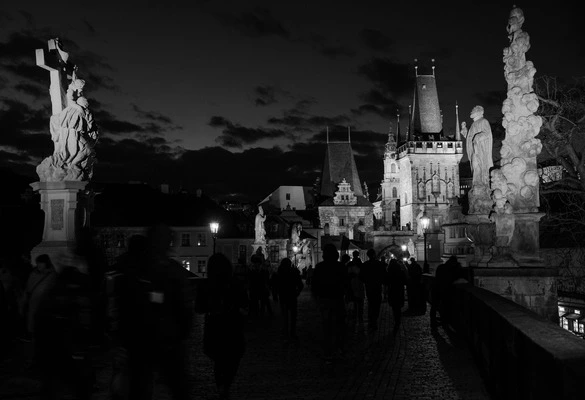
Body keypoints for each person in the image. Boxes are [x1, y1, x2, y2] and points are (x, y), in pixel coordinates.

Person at [125, 224, 193, 400]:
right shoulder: (173, 270)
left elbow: (128, 304)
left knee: (141, 387)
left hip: (145, 339)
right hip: (166, 338)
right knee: (177, 386)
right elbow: (185, 307)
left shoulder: (138, 270)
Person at [36, 249, 94, 400]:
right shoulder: (80, 282)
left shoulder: (55, 283)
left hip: (58, 341)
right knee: (79, 382)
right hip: (74, 340)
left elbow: (43, 314)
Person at [203, 253, 247, 399]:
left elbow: (198, 307)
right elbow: (245, 304)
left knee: (219, 360)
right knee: (233, 358)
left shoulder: (206, 284)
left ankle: (221, 386)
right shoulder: (234, 283)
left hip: (213, 328)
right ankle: (225, 386)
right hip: (232, 327)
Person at [22, 254, 58, 369]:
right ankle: (35, 359)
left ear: (46, 263)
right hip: (33, 309)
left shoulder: (52, 276)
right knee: (34, 336)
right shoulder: (33, 274)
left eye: (41, 262)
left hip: (45, 311)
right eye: (37, 263)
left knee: (44, 335)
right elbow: (28, 290)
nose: (38, 265)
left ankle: (43, 359)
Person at [312, 244, 346, 362]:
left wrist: (316, 297)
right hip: (337, 299)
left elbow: (314, 285)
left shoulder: (319, 267)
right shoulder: (341, 267)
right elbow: (345, 283)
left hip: (324, 299)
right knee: (338, 325)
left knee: (326, 325)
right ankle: (338, 349)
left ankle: (328, 350)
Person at [277, 258, 304, 340]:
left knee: (285, 315)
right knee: (293, 316)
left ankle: (285, 332)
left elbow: (276, 284)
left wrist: (278, 293)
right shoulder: (294, 271)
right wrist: (297, 292)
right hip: (292, 296)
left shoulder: (280, 272)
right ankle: (292, 332)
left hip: (283, 296)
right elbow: (300, 285)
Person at [359, 249, 386, 332]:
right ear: (374, 255)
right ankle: (374, 321)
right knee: (377, 304)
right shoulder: (380, 264)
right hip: (377, 287)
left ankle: (371, 320)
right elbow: (384, 276)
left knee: (370, 304)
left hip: (369, 287)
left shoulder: (365, 265)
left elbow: (361, 277)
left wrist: (367, 281)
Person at [387, 259, 407, 335]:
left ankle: (396, 320)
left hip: (392, 291)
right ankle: (397, 321)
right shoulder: (401, 272)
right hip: (399, 290)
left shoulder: (389, 272)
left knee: (394, 307)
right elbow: (405, 281)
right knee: (398, 307)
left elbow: (387, 282)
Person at [348, 255, 365, 325]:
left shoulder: (351, 267)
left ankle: (355, 316)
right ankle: (359, 317)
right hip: (358, 286)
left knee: (355, 302)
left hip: (354, 286)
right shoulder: (360, 268)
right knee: (360, 303)